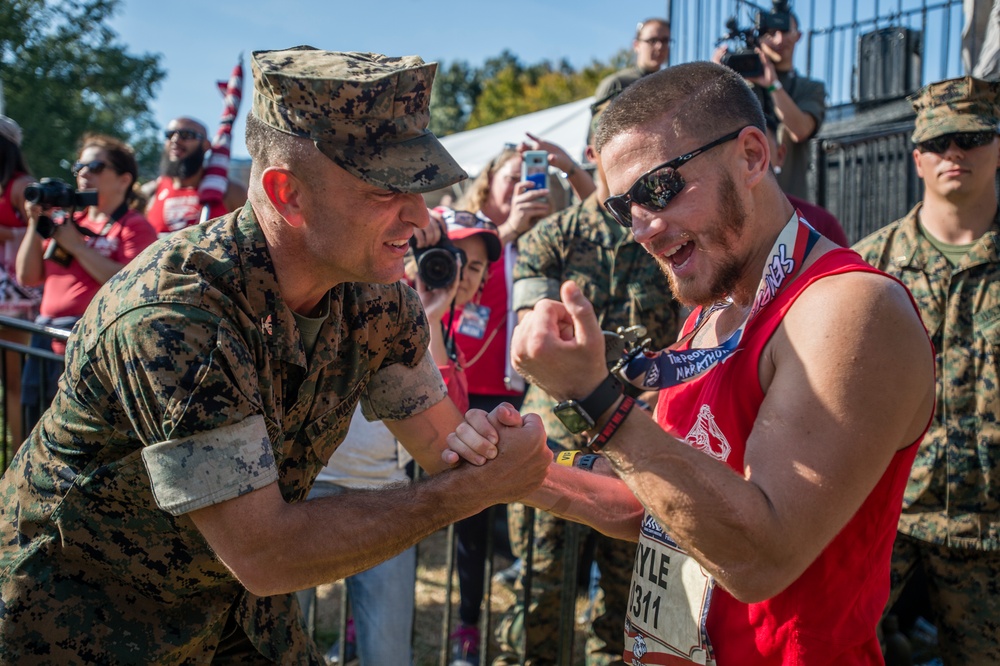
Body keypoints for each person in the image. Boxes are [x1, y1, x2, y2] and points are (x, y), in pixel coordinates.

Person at [0, 47, 551, 664]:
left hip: (231, 609)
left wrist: (629, 502)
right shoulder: (177, 315)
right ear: (287, 193)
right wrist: (466, 494)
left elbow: (446, 448)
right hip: (82, 622)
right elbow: (268, 553)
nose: (420, 218)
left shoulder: (373, 298)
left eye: (419, 188)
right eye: (384, 191)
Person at [451, 61, 936, 664]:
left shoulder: (851, 309)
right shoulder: (717, 308)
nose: (643, 230)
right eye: (623, 207)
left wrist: (598, 400)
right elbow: (662, 504)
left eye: (658, 189)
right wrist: (526, 474)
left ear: (754, 156)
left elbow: (761, 558)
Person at [494, 99, 682, 666]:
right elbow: (532, 341)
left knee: (629, 605)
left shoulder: (670, 238)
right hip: (554, 442)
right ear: (593, 155)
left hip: (641, 442)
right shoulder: (551, 237)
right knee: (541, 591)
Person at [853, 75, 1000, 666]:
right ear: (917, 158)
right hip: (886, 522)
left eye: (971, 137)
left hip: (991, 534)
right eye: (939, 143)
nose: (954, 153)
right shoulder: (868, 269)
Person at [441, 144, 554, 666]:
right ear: (489, 181)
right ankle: (467, 623)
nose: (523, 188)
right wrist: (503, 239)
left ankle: (527, 623)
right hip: (477, 389)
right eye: (513, 178)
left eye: (533, 178)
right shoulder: (471, 235)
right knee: (472, 515)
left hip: (526, 391)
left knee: (533, 506)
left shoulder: (548, 239)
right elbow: (454, 301)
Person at [15, 133, 158, 427]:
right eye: (79, 166)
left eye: (95, 166)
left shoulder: (134, 225)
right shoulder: (69, 221)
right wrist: (35, 223)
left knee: (71, 429)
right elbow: (27, 276)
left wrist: (77, 247)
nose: (84, 173)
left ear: (123, 179)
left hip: (88, 344)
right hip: (45, 338)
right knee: (34, 420)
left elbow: (133, 283)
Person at [715, 9, 827, 201]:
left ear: (798, 36)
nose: (778, 40)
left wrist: (773, 85)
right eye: (770, 33)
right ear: (758, 38)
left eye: (784, 31)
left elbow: (800, 130)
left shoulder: (810, 88)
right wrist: (716, 79)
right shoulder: (738, 86)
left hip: (789, 203)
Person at [0, 114, 39, 445]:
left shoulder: (21, 186)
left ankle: (16, 458)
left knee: (14, 384)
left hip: (15, 297)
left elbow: (38, 231)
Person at [141, 116, 248, 235]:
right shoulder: (151, 192)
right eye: (170, 135)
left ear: (206, 145)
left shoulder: (231, 192)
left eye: (186, 134)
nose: (175, 140)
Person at [763, 112, 849, 246]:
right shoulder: (720, 225)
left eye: (757, 151)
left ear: (780, 155)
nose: (750, 164)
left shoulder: (821, 225)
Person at [594, 19, 671, 103]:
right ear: (636, 45)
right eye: (652, 40)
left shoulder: (672, 86)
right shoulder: (617, 85)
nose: (660, 46)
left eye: (665, 41)